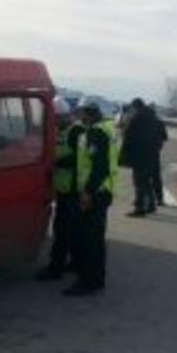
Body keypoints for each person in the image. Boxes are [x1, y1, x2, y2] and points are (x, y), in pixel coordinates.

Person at [66, 103, 118, 297]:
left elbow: (100, 167)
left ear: (88, 114)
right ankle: (96, 278)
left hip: (95, 193)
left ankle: (87, 282)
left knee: (88, 239)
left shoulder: (96, 133)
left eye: (81, 114)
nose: (79, 118)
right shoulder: (106, 128)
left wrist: (87, 192)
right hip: (103, 191)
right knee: (95, 238)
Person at [36, 97, 85, 280]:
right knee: (70, 230)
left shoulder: (76, 131)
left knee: (63, 230)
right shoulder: (63, 130)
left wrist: (54, 161)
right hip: (63, 189)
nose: (54, 122)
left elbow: (79, 160)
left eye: (56, 118)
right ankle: (74, 262)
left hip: (72, 189)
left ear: (64, 115)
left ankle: (55, 268)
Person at [121, 98, 161, 217]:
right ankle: (151, 205)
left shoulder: (136, 118)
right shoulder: (153, 118)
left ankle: (139, 208)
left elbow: (128, 135)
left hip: (139, 155)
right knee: (146, 181)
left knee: (139, 182)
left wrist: (125, 154)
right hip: (152, 154)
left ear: (135, 107)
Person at [150, 103, 168, 206]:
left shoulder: (143, 123)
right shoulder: (160, 123)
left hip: (144, 153)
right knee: (156, 177)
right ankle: (160, 199)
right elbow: (165, 137)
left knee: (144, 178)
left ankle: (145, 200)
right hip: (156, 152)